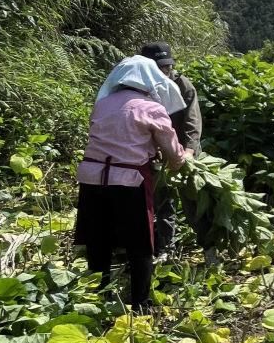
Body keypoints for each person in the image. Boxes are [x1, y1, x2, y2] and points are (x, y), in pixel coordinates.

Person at [75, 56, 189, 309]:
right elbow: (173, 152)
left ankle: (99, 298)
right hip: (129, 182)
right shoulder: (151, 108)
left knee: (98, 239)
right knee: (140, 244)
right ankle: (140, 303)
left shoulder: (103, 104)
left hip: (92, 179)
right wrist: (180, 160)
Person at [139, 41, 203, 259]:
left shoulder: (182, 84)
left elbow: (192, 121)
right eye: (160, 67)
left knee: (193, 199)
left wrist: (189, 151)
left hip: (184, 148)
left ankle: (208, 247)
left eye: (168, 66)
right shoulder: (140, 87)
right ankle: (167, 248)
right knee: (163, 201)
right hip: (157, 151)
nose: (165, 70)